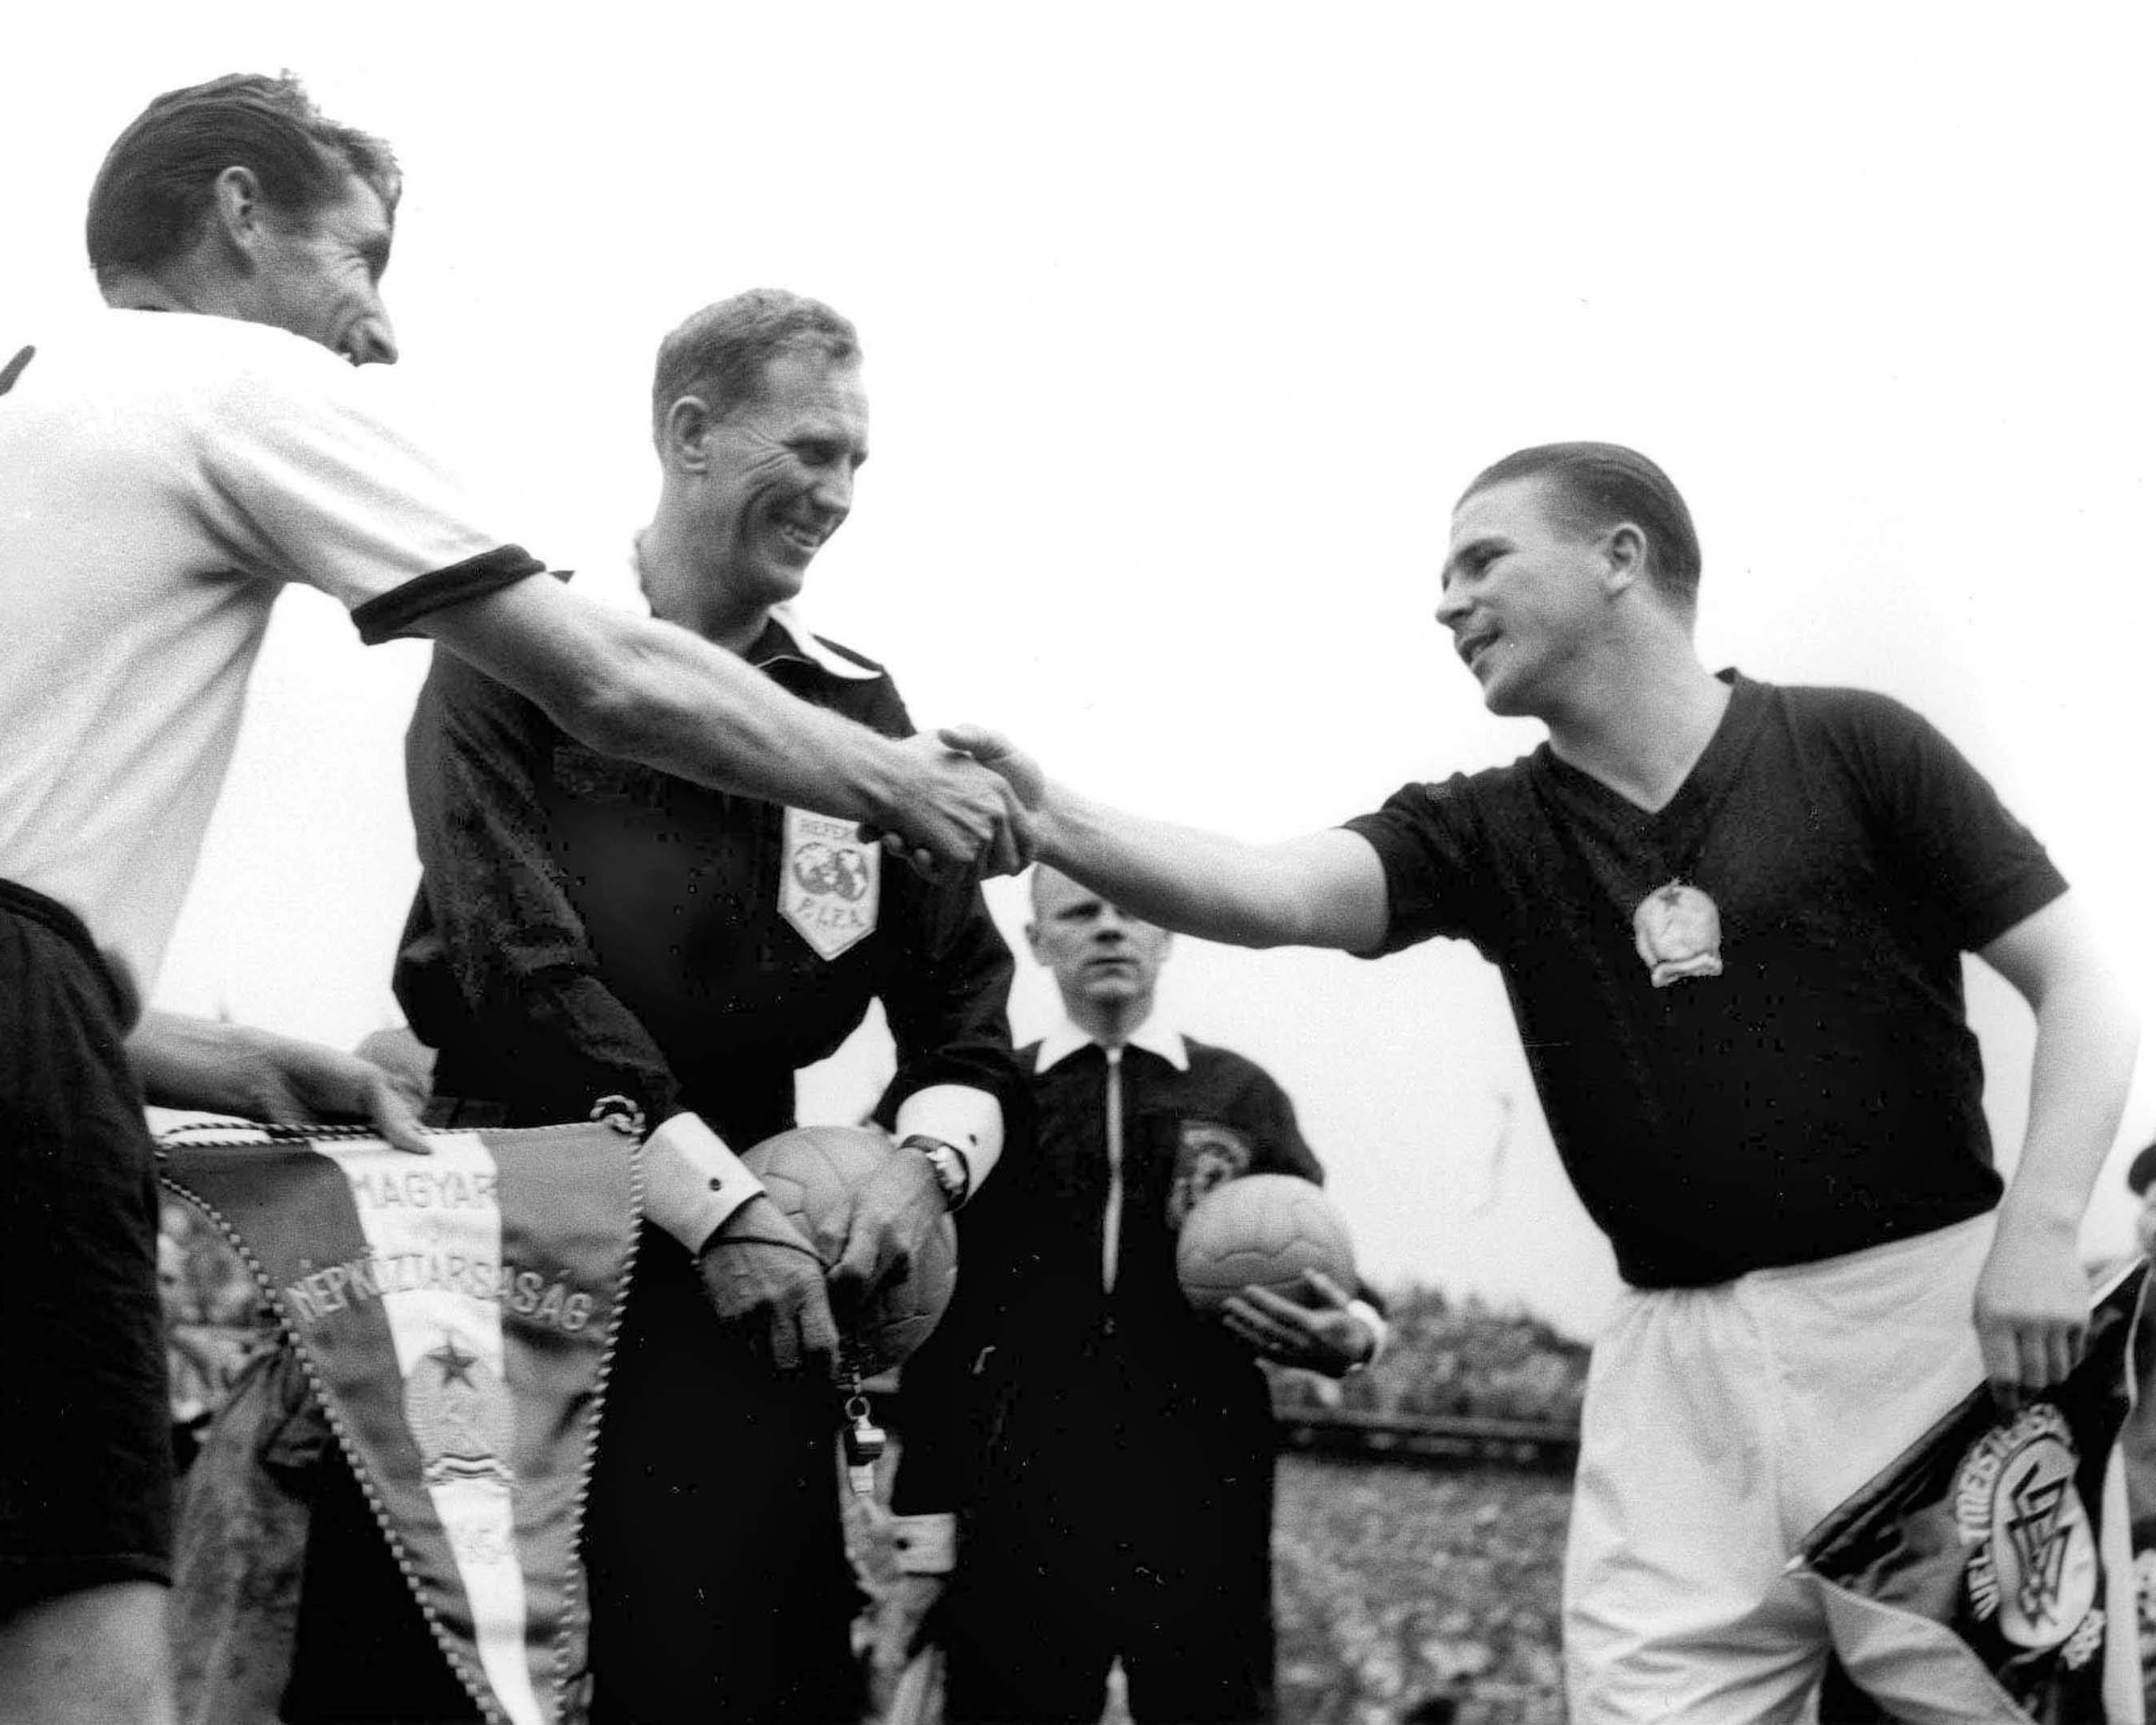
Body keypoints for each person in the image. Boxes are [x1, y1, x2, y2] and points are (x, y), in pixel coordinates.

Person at [0, 76, 1024, 1725]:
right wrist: (896, 782)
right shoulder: (231, 376)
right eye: (361, 259)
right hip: (140, 1105)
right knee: (83, 1687)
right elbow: (609, 682)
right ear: (238, 215)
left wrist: (203, 1053)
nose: (383, 330)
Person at [944, 443, 2138, 1724]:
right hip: (1670, 1375)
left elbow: (2085, 981)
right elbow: (1275, 891)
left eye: (1482, 559)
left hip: (1923, 1336)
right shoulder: (1486, 827)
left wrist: (2043, 1226)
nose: (1445, 602)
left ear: (1620, 557)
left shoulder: (1853, 745)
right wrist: (1052, 818)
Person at [210, 287, 1024, 1725]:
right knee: (426, 1677)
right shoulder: (515, 648)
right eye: (811, 450)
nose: (837, 495)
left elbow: (966, 1004)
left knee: (729, 1677)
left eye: (856, 462)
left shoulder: (859, 715)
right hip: (505, 1216)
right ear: (691, 434)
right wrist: (721, 1208)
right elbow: (521, 973)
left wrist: (924, 1168)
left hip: (757, 1284)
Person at [884, 867, 1383, 1725]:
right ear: (1037, 943)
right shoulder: (987, 1101)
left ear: (1168, 935)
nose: (1109, 929)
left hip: (1202, 1487)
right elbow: (933, 1315)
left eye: (1131, 911)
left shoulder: (1239, 1095)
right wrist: (922, 1526)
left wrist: (1358, 1336)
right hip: (1019, 1489)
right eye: (1079, 913)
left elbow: (1326, 1267)